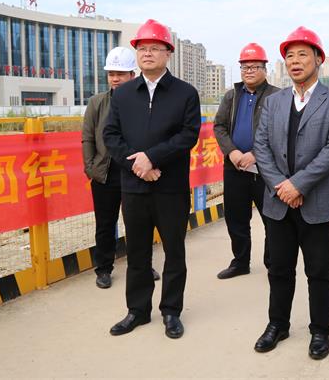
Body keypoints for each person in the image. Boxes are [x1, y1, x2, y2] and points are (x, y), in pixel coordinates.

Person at [253, 26, 329, 360]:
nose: (295, 61)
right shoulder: (274, 102)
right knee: (279, 268)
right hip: (278, 202)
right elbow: (261, 147)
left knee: (318, 271)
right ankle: (277, 324)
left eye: (302, 55)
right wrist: (281, 187)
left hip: (316, 202)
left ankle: (320, 331)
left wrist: (298, 185)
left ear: (318, 59)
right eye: (290, 56)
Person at [103, 19, 201, 339]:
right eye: (142, 48)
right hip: (134, 187)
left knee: (174, 251)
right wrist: (138, 165)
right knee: (137, 253)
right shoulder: (123, 94)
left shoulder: (185, 93)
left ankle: (171, 311)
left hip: (170, 188)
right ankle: (137, 310)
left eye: (155, 48)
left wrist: (153, 158)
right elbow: (111, 135)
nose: (147, 53)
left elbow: (188, 135)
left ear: (168, 52)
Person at [82, 47, 160, 289]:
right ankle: (104, 269)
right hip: (105, 174)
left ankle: (143, 265)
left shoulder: (145, 102)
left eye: (121, 74)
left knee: (139, 224)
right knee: (105, 224)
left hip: (135, 173)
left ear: (132, 75)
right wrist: (91, 168)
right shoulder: (97, 103)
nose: (115, 79)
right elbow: (87, 137)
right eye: (111, 74)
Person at [214, 43, 279, 279]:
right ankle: (240, 262)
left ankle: (274, 263)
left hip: (265, 170)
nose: (248, 71)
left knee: (272, 219)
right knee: (236, 218)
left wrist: (255, 153)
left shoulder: (277, 96)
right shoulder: (232, 96)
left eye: (254, 67)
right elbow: (219, 126)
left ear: (264, 69)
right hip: (235, 168)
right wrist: (231, 152)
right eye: (244, 67)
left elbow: (280, 131)